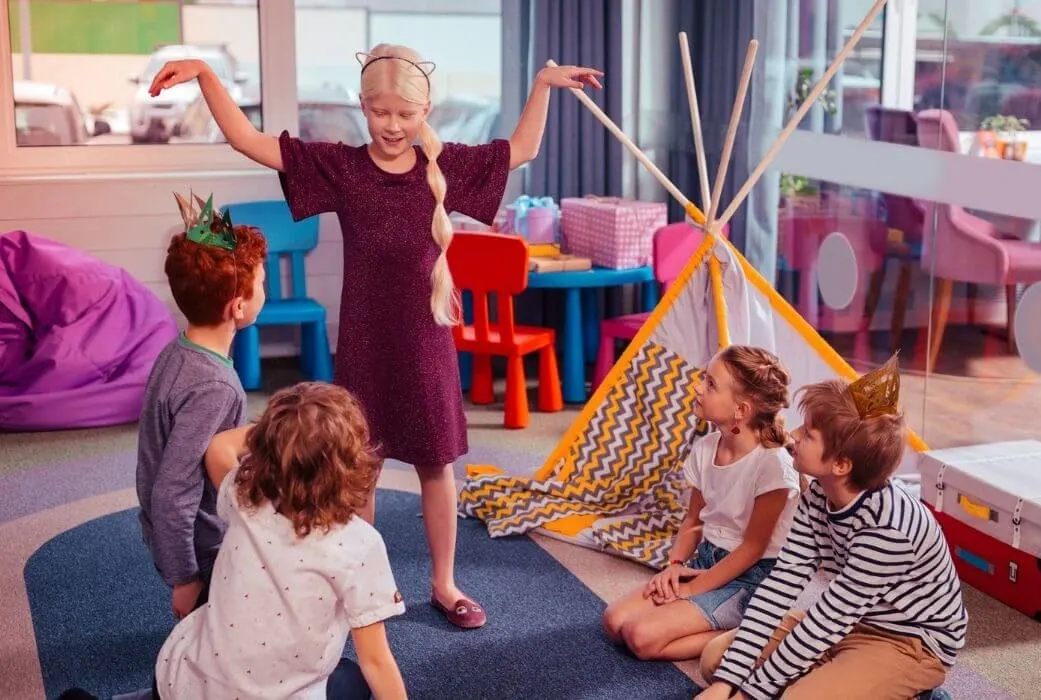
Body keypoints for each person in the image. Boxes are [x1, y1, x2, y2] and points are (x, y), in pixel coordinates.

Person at [145, 43, 602, 630]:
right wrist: (207, 74)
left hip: (426, 340)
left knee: (438, 465)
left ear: (425, 110)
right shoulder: (341, 166)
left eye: (406, 115)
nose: (392, 126)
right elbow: (249, 141)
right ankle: (362, 583)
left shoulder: (446, 166)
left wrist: (541, 82)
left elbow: (521, 150)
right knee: (360, 466)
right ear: (363, 106)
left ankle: (445, 583)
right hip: (363, 340)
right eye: (381, 113)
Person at [697, 355, 968, 700]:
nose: (792, 436)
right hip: (852, 620)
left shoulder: (888, 530)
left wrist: (751, 694)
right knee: (716, 663)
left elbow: (828, 620)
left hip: (910, 641)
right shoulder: (818, 495)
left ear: (840, 464)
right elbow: (782, 584)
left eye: (807, 434)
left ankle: (913, 691)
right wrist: (726, 684)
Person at [154, 382, 408, 699]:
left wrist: (283, 430)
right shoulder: (360, 545)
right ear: (350, 465)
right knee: (352, 679)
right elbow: (376, 662)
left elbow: (219, 447)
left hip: (186, 683)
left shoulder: (246, 497)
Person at [601, 346, 802, 662]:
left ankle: (745, 634)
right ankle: (712, 617)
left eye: (710, 385)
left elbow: (751, 549)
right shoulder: (706, 447)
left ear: (741, 410)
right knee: (614, 622)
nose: (697, 388)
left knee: (641, 638)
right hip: (706, 560)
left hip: (751, 577)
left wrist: (692, 590)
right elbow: (693, 521)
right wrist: (676, 567)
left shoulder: (773, 466)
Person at [136, 192, 267, 621]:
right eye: (262, 283)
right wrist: (185, 577)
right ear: (238, 306)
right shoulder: (216, 386)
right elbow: (174, 490)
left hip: (179, 535)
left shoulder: (178, 351)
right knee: (215, 642)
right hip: (200, 547)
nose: (265, 289)